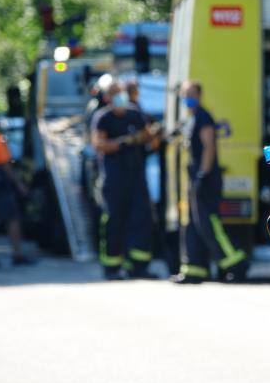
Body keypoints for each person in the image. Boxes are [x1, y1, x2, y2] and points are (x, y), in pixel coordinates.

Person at [171, 81, 248, 284]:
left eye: (190, 94)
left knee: (209, 225)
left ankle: (236, 263)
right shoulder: (193, 118)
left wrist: (202, 174)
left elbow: (209, 147)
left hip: (206, 179)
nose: (187, 98)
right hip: (197, 178)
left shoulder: (203, 117)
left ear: (199, 95)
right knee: (195, 226)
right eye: (184, 94)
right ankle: (194, 270)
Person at [91, 81, 154, 280]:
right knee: (114, 222)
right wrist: (121, 142)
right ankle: (112, 267)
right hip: (114, 180)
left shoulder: (135, 114)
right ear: (108, 98)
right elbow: (99, 144)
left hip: (136, 177)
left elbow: (147, 136)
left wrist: (137, 139)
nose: (120, 98)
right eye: (115, 94)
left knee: (141, 220)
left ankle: (138, 267)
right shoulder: (103, 118)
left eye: (122, 94)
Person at [0, 113, 32, 266]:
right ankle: (17, 254)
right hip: (0, 183)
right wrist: (19, 184)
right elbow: (5, 164)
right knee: (13, 218)